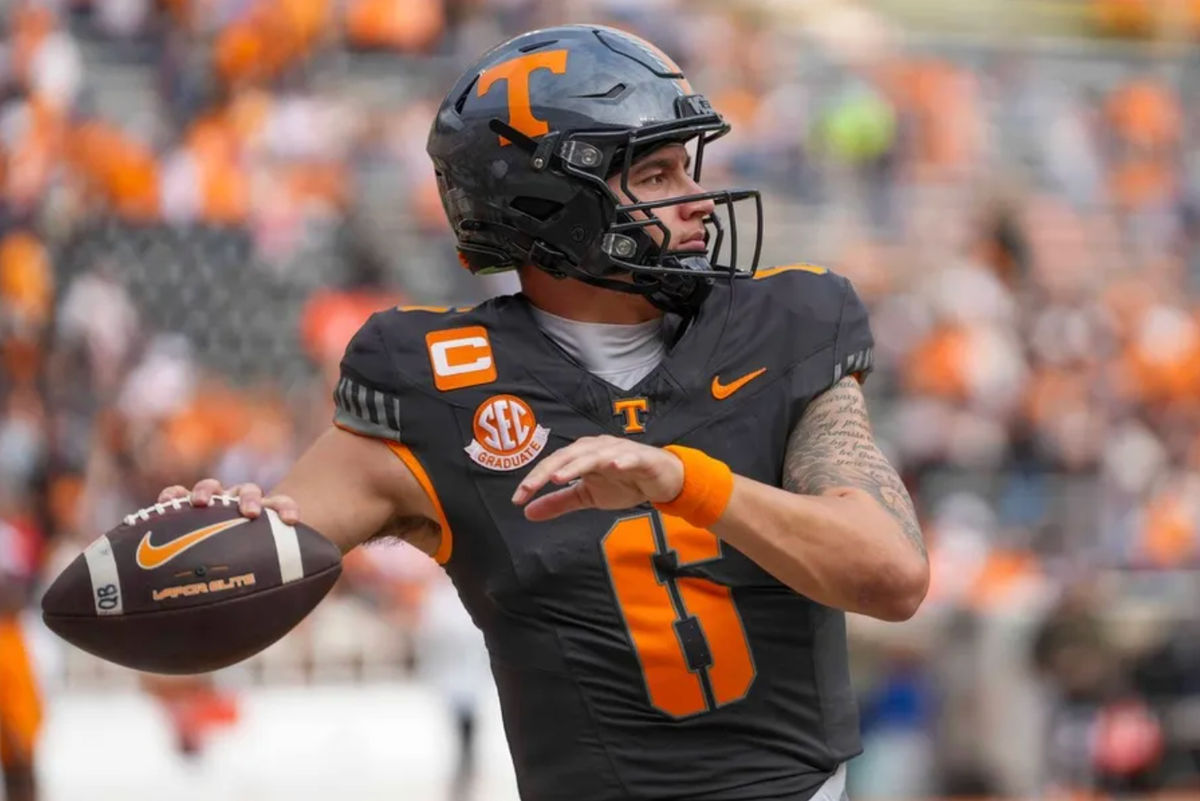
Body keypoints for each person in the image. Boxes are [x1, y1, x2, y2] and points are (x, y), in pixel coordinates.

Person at [158, 25, 929, 800]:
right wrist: (207, 545)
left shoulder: (784, 325)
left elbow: (890, 574)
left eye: (687, 168)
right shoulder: (434, 385)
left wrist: (683, 482)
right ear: (552, 201)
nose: (697, 201)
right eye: (656, 176)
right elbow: (232, 587)